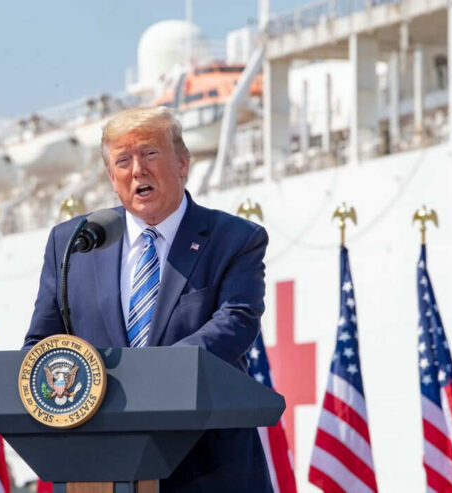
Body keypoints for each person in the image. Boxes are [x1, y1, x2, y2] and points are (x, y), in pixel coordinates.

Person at [24, 106, 272, 492]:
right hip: (99, 468)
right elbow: (41, 344)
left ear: (182, 164)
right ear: (112, 177)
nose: (137, 169)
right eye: (123, 161)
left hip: (209, 469)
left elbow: (236, 322)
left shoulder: (235, 239)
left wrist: (145, 378)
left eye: (150, 154)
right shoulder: (73, 242)